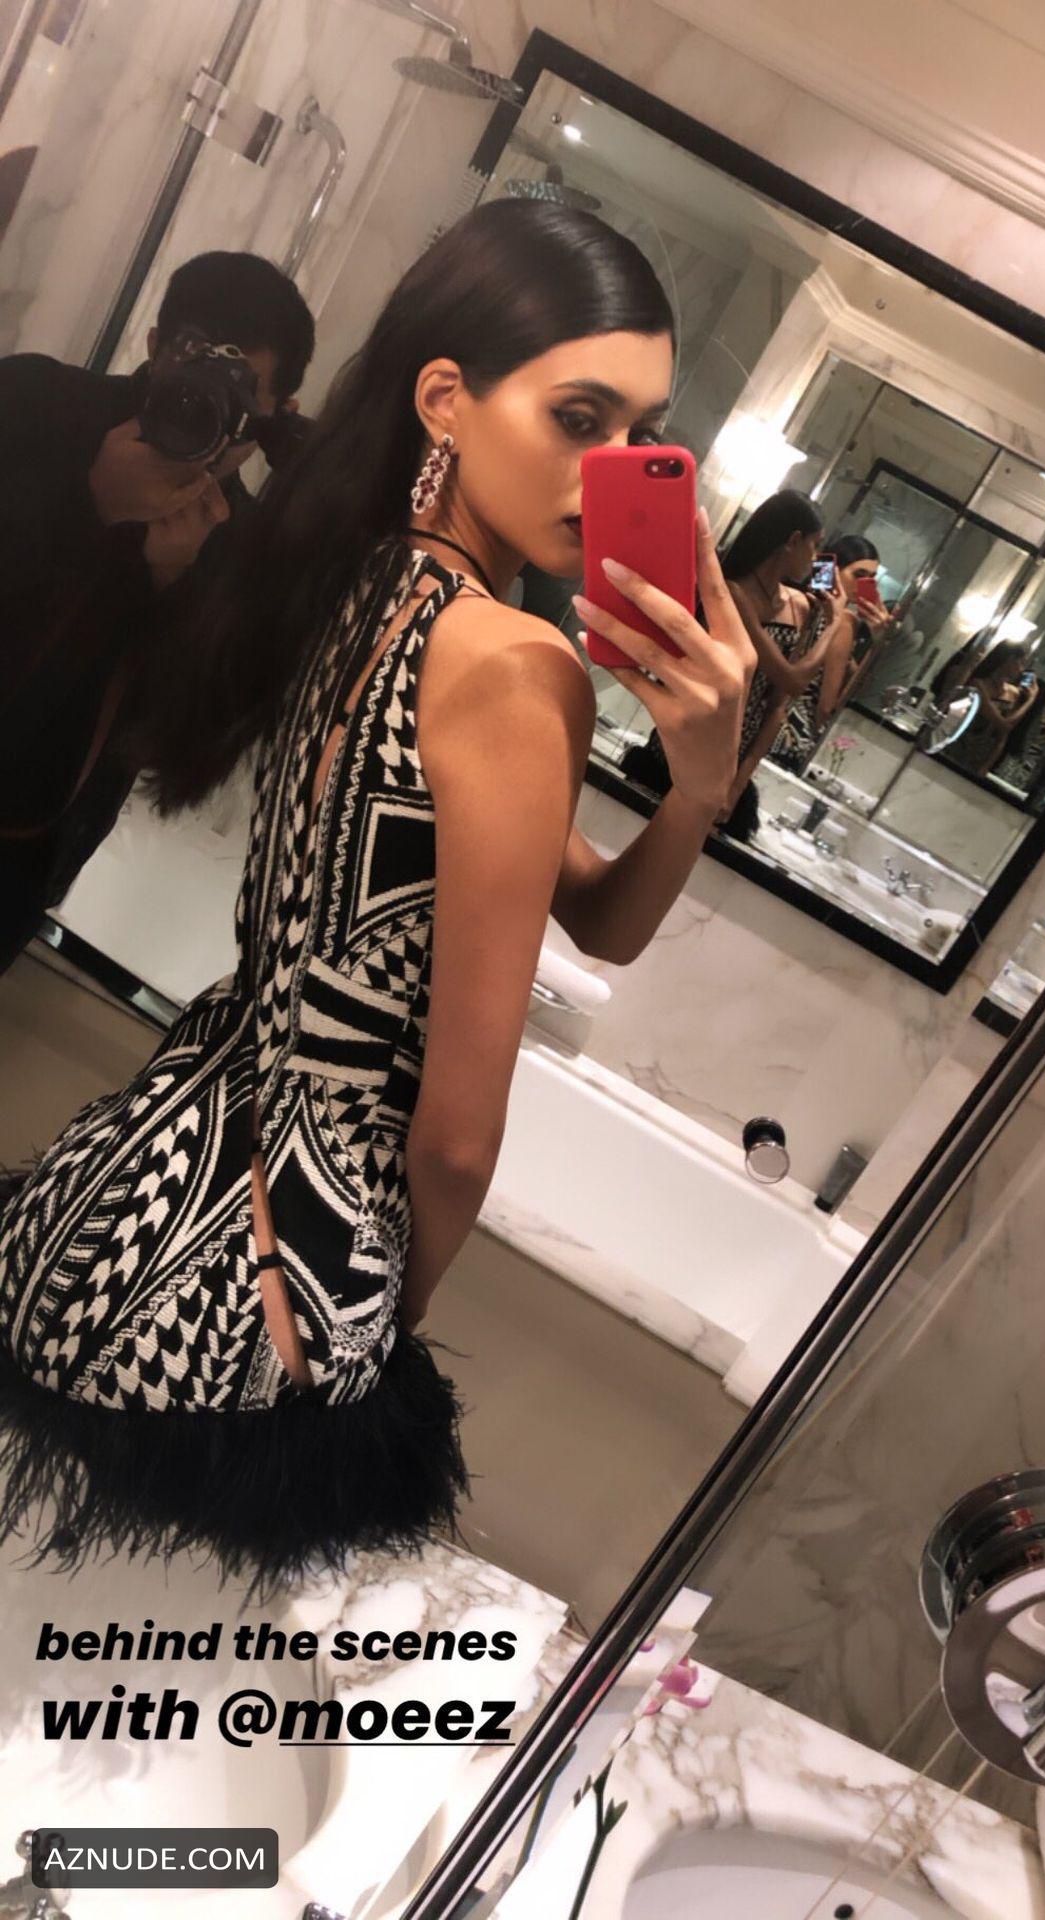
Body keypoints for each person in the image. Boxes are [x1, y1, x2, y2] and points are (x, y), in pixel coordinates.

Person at [0, 201, 755, 1588]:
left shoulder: (362, 586)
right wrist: (372, 1361)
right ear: (446, 400)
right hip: (266, 1288)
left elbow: (598, 916)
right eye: (577, 415)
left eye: (640, 431)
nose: (609, 466)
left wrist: (699, 783)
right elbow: (456, 1139)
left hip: (119, 1188)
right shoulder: (519, 668)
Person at [0, 250, 316, 974]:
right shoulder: (35, 401)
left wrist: (172, 587)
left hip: (21, 855)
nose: (207, 402)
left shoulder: (241, 548)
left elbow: (187, 752)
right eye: (193, 364)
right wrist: (89, 504)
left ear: (277, 417)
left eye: (241, 393)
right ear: (153, 346)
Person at [621, 489, 840, 840]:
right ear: (793, 540)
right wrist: (834, 626)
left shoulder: (799, 607)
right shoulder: (732, 594)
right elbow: (792, 679)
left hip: (732, 772)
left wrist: (737, 785)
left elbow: (777, 707)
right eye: (814, 545)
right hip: (679, 752)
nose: (815, 558)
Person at [770, 534, 892, 774]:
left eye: (871, 579)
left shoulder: (803, 603)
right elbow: (827, 707)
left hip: (770, 723)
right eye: (858, 575)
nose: (865, 585)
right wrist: (878, 645)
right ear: (834, 570)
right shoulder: (844, 622)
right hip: (795, 735)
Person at [936, 639, 1039, 777]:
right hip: (956, 748)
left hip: (979, 759)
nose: (1021, 669)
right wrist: (1031, 700)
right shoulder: (979, 685)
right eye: (1020, 662)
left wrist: (985, 767)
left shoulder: (1013, 693)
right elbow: (1004, 724)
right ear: (1009, 659)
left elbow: (1002, 737)